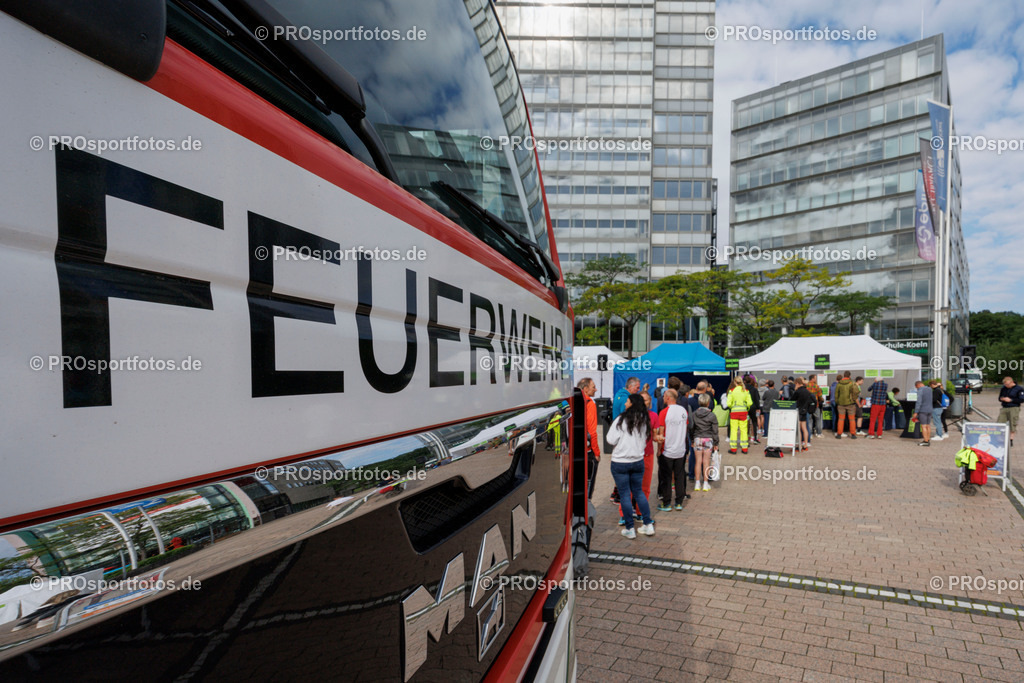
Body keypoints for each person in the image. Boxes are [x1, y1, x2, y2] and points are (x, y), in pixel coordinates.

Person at [606, 394, 655, 538]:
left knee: (625, 495)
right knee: (639, 492)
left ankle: (630, 528)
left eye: (628, 401)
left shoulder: (621, 420)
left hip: (620, 462)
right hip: (638, 461)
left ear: (632, 403)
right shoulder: (645, 420)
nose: (626, 403)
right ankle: (648, 524)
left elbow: (610, 439)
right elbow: (646, 439)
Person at [657, 389, 689, 510]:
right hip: (680, 448)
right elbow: (685, 428)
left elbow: (661, 432)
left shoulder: (664, 412)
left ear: (668, 398)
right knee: (680, 476)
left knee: (666, 477)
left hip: (668, 450)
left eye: (664, 396)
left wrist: (659, 449)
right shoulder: (683, 411)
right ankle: (679, 502)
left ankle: (666, 503)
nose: (663, 399)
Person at [578, 378, 601, 499]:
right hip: (587, 451)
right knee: (588, 482)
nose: (596, 389)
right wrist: (596, 452)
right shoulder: (589, 403)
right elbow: (592, 431)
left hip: (573, 449)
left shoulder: (573, 401)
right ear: (585, 389)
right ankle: (586, 508)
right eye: (593, 387)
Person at [691, 393, 719, 492]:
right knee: (706, 462)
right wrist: (716, 443)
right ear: (708, 403)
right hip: (708, 439)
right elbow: (715, 430)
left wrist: (692, 440)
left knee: (698, 461)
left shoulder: (694, 414)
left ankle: (697, 483)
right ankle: (706, 483)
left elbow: (691, 428)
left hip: (697, 439)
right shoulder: (712, 415)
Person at [726, 376, 753, 454]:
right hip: (743, 413)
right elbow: (750, 403)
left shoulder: (732, 391)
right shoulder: (746, 391)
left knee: (734, 430)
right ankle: (745, 448)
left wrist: (733, 407)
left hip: (734, 413)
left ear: (735, 382)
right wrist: (746, 407)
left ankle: (733, 449)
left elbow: (728, 403)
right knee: (744, 430)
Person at [997, 376, 1024, 446]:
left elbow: (1022, 399)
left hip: (1014, 408)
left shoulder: (1019, 389)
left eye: (1007, 385)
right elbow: (999, 398)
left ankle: (1011, 440)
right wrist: (1002, 399)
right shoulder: (1003, 388)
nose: (1006, 386)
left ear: (1012, 382)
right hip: (1004, 407)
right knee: (999, 423)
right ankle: (1000, 439)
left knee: (1013, 423)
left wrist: (1011, 400)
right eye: (1005, 385)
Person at [834, 371, 858, 439]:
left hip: (841, 404)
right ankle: (853, 434)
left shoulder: (839, 384)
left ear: (843, 376)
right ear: (849, 376)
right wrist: (854, 399)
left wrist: (837, 402)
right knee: (852, 419)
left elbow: (836, 394)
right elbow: (856, 392)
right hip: (851, 404)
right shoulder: (852, 383)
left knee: (841, 419)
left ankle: (839, 434)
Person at [793, 377, 814, 450]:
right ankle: (805, 444)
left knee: (798, 429)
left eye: (795, 384)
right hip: (805, 411)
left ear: (798, 383)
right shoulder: (807, 391)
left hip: (798, 411)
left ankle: (799, 445)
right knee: (804, 428)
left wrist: (795, 390)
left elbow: (791, 400)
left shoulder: (797, 391)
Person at [911, 380, 933, 446]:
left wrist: (916, 412)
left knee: (923, 426)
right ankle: (928, 439)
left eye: (917, 387)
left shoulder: (920, 390)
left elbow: (919, 402)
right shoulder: (929, 389)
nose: (917, 389)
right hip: (930, 409)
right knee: (928, 425)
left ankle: (925, 441)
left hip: (923, 410)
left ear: (918, 385)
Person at [744, 375, 761, 445]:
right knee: (754, 422)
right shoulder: (754, 389)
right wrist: (758, 408)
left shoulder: (743, 389)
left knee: (745, 423)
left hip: (745, 408)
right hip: (753, 408)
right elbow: (757, 399)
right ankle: (755, 438)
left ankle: (746, 438)